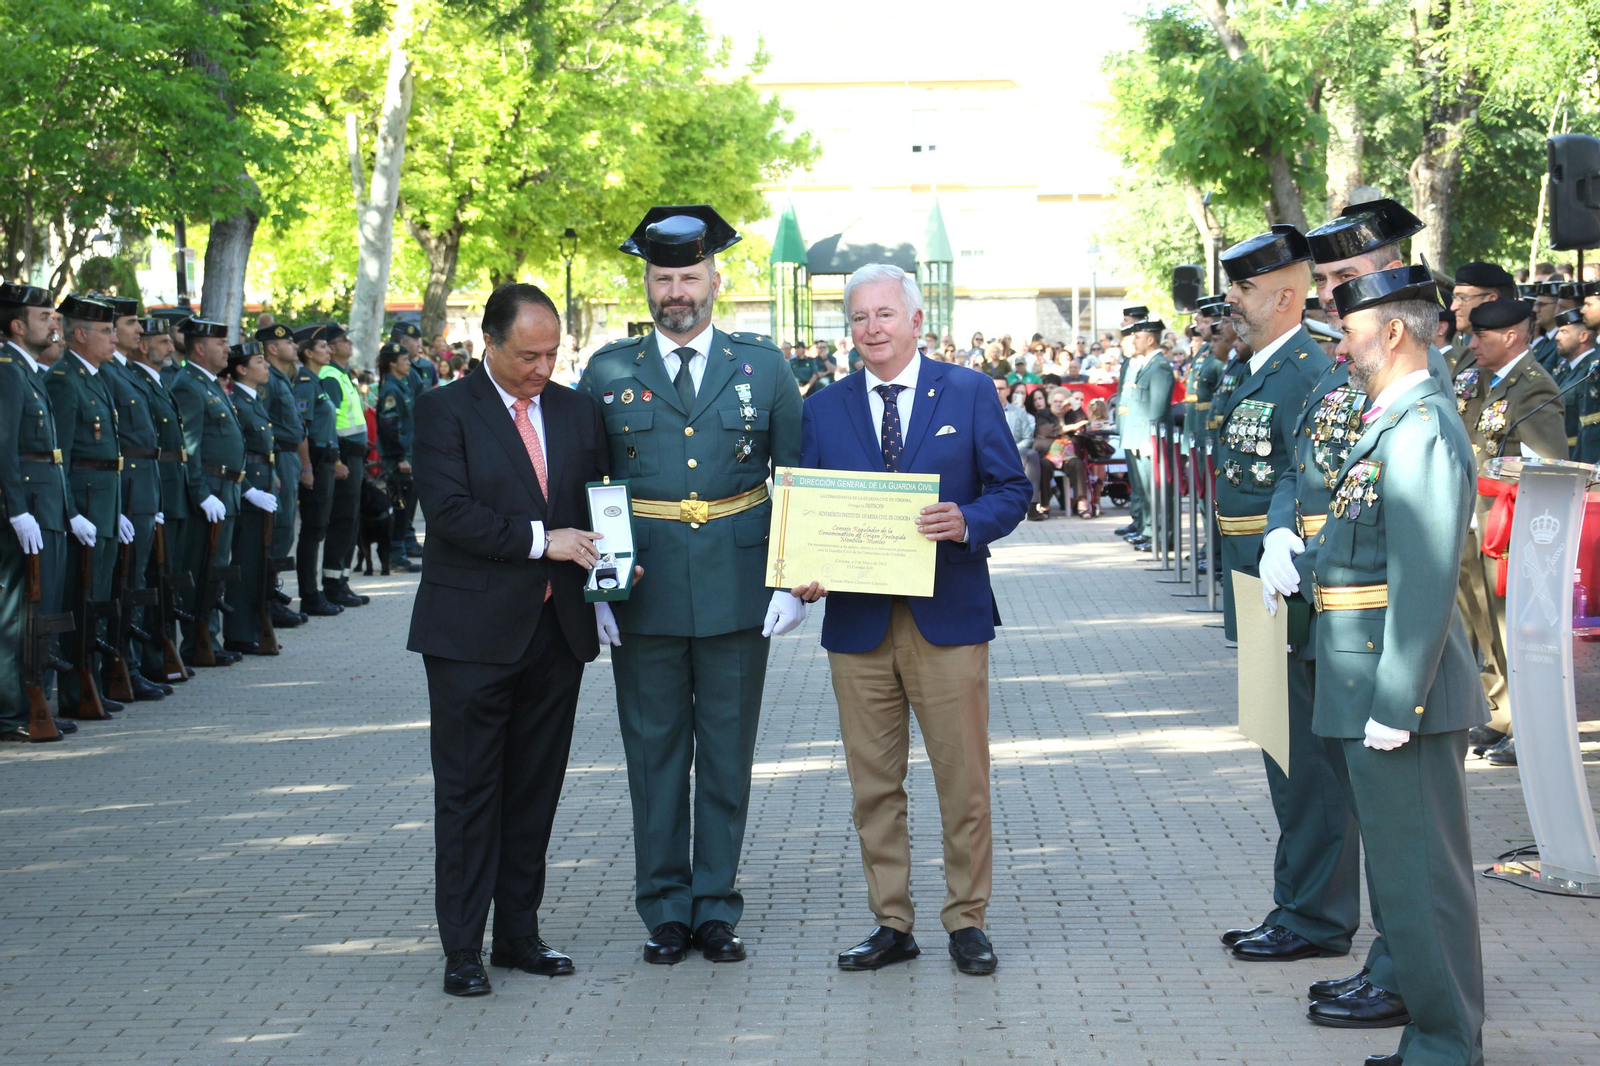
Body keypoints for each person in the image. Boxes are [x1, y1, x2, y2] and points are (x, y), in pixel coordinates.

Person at [576, 205, 805, 967]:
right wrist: (598, 588)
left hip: (741, 585)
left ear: (716, 279)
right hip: (643, 589)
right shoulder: (608, 369)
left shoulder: (764, 367)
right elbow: (587, 485)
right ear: (646, 281)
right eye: (663, 276)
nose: (677, 291)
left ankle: (716, 905)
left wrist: (790, 581)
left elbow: (795, 480)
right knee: (654, 755)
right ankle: (665, 907)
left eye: (690, 275)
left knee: (729, 753)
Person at [790, 263, 1029, 977]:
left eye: (885, 315)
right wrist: (797, 569)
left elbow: (1013, 489)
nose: (872, 330)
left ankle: (967, 919)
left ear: (917, 321)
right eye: (859, 318)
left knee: (964, 781)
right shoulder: (822, 408)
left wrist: (968, 520)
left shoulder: (968, 390)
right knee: (873, 785)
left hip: (947, 619)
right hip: (858, 627)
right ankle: (891, 921)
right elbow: (806, 510)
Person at [1234, 202, 1428, 1025]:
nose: (1333, 300)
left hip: (1360, 611)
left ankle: (1397, 961)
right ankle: (1321, 919)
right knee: (1294, 759)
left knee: (1380, 805)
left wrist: (1302, 552)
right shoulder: (1336, 369)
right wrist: (1280, 527)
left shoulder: (1406, 376)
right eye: (1328, 283)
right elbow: (1299, 465)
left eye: (1347, 280)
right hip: (1293, 594)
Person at [408, 282, 610, 997]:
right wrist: (540, 542)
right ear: (488, 344)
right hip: (470, 636)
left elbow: (600, 501)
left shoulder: (577, 409)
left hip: (557, 632)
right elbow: (451, 512)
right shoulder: (442, 411)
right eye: (527, 355)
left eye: (552, 353)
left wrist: (614, 561)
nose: (541, 368)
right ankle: (461, 946)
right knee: (468, 794)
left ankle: (518, 934)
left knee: (534, 789)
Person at [1307, 265, 1485, 1066]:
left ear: (1394, 332)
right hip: (1365, 678)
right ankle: (1434, 1040)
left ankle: (1446, 1049)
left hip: (1393, 690)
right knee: (1406, 886)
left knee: (1423, 889)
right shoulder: (1393, 420)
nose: (1340, 348)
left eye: (1348, 331)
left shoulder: (1422, 425)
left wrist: (1396, 700)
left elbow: (1424, 575)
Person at [1458, 297, 1567, 767]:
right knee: (1483, 621)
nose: (1471, 342)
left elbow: (1549, 471)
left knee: (1514, 628)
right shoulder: (1482, 379)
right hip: (1472, 520)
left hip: (1509, 529)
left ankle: (1535, 727)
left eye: (1481, 336)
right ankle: (1503, 713)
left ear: (1512, 337)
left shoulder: (1533, 388)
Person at [1213, 225, 1331, 642]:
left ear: (1284, 298)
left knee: (1279, 700)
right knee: (1263, 698)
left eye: (1244, 288)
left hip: (1278, 566)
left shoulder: (1304, 374)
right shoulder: (1261, 364)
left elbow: (1306, 478)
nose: (1230, 298)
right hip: (1248, 561)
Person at [48, 295, 130, 715]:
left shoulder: (96, 377)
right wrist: (70, 511)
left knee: (98, 595)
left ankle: (92, 682)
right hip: (83, 500)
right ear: (80, 334)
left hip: (103, 500)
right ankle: (74, 690)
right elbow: (57, 453)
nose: (114, 338)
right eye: (106, 331)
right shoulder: (65, 379)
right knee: (78, 597)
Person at [0, 283, 75, 740]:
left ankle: (36, 703)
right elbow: (5, 448)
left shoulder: (27, 372)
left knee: (40, 612)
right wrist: (15, 508)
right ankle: (11, 712)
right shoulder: (8, 371)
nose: (54, 322)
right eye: (44, 315)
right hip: (26, 507)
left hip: (45, 504)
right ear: (16, 325)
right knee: (16, 615)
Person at [94, 295, 168, 702]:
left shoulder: (126, 373)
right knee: (121, 584)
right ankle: (120, 668)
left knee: (135, 582)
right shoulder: (108, 375)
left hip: (141, 487)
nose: (140, 331)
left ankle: (130, 666)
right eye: (128, 324)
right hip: (122, 490)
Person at [168, 317, 244, 666]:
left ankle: (209, 638)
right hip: (210, 488)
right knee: (202, 568)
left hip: (225, 487)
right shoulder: (189, 385)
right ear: (199, 348)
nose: (227, 349)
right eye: (220, 343)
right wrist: (199, 492)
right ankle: (198, 642)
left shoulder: (209, 384)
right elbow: (189, 446)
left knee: (217, 567)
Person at [129, 317, 195, 685]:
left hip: (167, 488)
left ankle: (157, 655)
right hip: (149, 489)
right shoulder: (134, 379)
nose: (171, 347)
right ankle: (147, 659)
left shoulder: (158, 380)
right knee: (148, 578)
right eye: (162, 341)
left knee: (163, 576)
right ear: (143, 346)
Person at [219, 342, 281, 654]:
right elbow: (235, 454)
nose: (267, 365)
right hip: (249, 491)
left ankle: (254, 627)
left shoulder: (253, 401)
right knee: (245, 563)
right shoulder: (237, 404)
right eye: (259, 360)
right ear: (241, 369)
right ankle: (240, 632)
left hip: (264, 486)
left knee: (260, 563)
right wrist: (248, 491)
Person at [258, 323, 311, 630]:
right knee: (278, 529)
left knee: (286, 527)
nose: (295, 347)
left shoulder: (283, 377)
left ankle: (273, 592)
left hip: (289, 456)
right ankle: (268, 596)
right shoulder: (267, 380)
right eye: (289, 343)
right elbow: (260, 422)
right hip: (278, 457)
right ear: (273, 348)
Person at [318, 325, 369, 609]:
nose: (349, 344)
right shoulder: (330, 377)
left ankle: (342, 581)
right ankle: (332, 583)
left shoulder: (341, 375)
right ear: (331, 347)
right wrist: (337, 460)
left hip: (354, 457)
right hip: (344, 458)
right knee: (342, 520)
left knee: (352, 520)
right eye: (342, 341)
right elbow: (329, 425)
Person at [1118, 319, 1176, 550]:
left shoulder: (1159, 366)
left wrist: (1151, 440)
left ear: (1151, 340)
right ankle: (1150, 530)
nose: (1134, 340)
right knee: (1145, 488)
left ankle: (1163, 536)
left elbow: (1158, 410)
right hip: (1142, 437)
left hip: (1151, 439)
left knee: (1158, 491)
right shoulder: (1146, 365)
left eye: (1138, 337)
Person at [376, 342, 422, 574]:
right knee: (400, 506)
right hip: (399, 461)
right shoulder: (391, 390)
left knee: (406, 507)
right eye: (404, 360)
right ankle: (396, 555)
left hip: (408, 456)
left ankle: (401, 550)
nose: (408, 364)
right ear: (392, 363)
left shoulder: (401, 386)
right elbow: (389, 426)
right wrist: (400, 457)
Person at [997, 376, 1041, 519]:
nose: (997, 391)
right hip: (991, 454)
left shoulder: (1019, 412)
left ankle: (1032, 505)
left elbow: (1028, 438)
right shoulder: (982, 410)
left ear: (1008, 390)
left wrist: (1011, 450)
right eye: (994, 388)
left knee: (1032, 455)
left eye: (1001, 388)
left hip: (1016, 452)